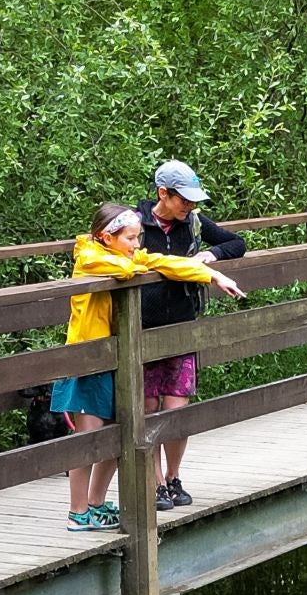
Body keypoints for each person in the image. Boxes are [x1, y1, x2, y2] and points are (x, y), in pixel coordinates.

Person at [52, 201, 240, 531]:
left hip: (112, 358)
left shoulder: (121, 254)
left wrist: (211, 273)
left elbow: (162, 261)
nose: (137, 246)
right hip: (86, 361)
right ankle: (77, 511)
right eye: (130, 238)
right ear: (105, 237)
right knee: (87, 440)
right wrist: (138, 261)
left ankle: (95, 504)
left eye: (139, 238)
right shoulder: (91, 257)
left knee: (117, 434)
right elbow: (128, 268)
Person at [130, 160, 247, 510]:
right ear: (162, 194)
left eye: (194, 201)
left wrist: (210, 254)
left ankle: (173, 477)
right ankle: (154, 485)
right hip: (143, 326)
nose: (191, 207)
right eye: (184, 200)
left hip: (182, 324)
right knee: (148, 407)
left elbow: (236, 243)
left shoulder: (193, 222)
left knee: (177, 407)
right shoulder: (134, 223)